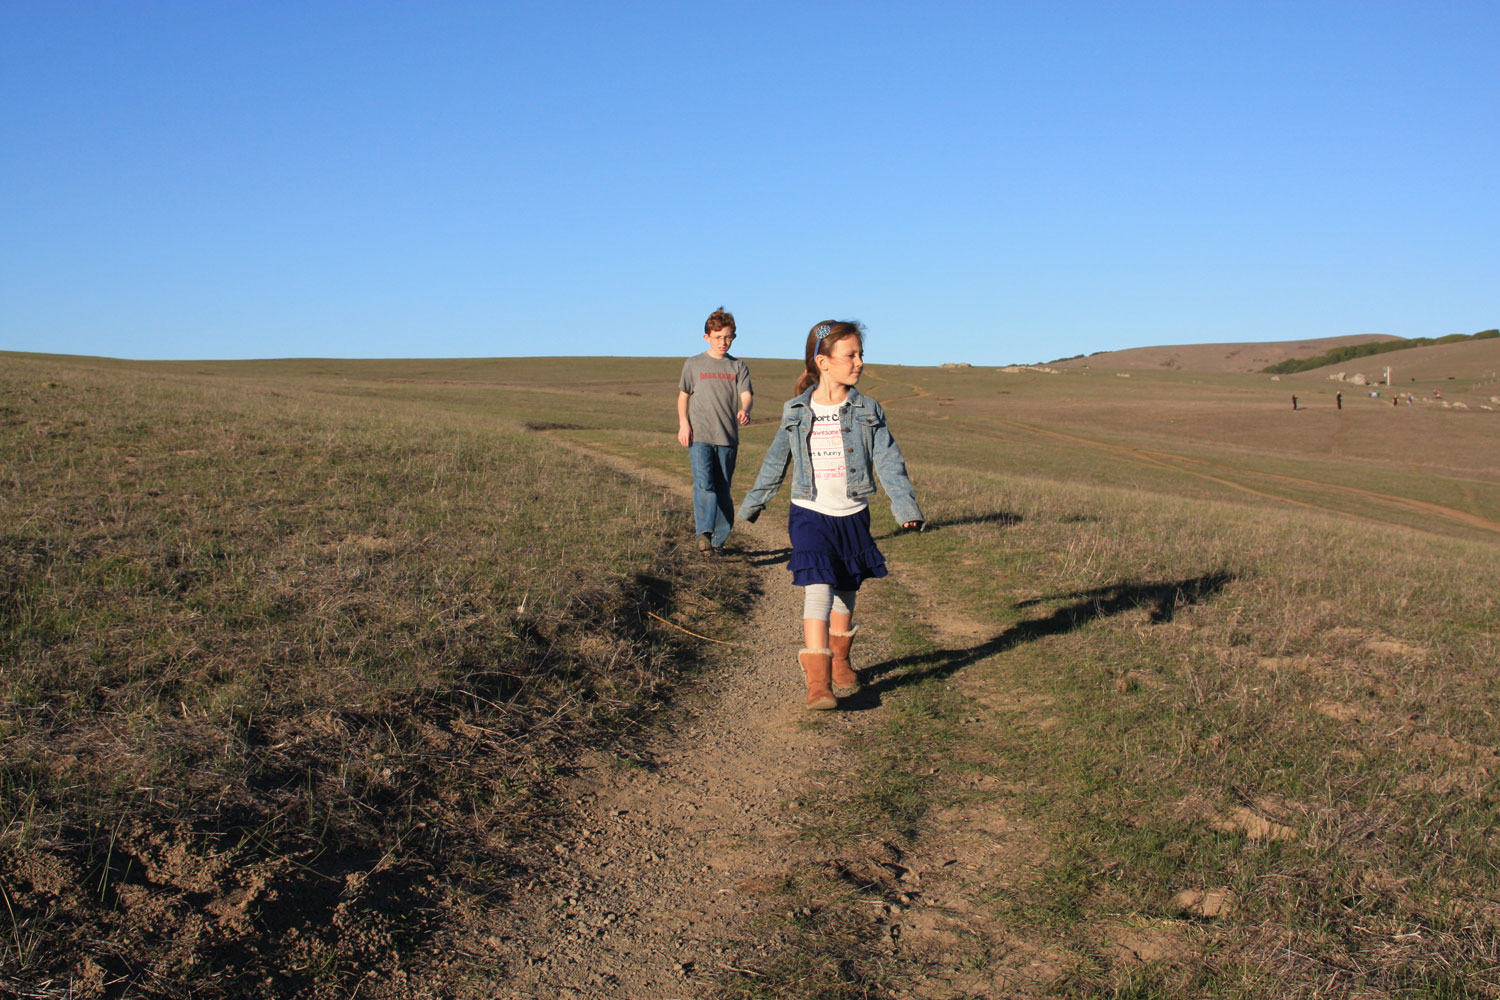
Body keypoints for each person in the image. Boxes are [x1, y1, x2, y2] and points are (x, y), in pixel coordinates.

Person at [738, 320, 923, 711]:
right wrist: (755, 502)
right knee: (819, 588)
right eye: (850, 355)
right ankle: (818, 682)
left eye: (860, 355)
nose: (858, 363)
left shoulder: (868, 409)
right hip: (810, 513)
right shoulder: (796, 411)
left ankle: (840, 660)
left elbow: (889, 460)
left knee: (846, 589)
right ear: (823, 362)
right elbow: (776, 461)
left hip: (853, 513)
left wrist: (904, 506)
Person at [677, 308, 754, 554]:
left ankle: (719, 540)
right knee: (704, 483)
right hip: (699, 435)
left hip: (727, 438)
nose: (724, 342)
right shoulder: (693, 364)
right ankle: (704, 533)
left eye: (728, 337)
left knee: (722, 488)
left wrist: (745, 409)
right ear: (706, 337)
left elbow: (746, 394)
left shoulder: (738, 366)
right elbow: (683, 397)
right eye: (718, 337)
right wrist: (683, 423)